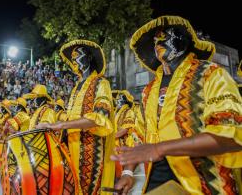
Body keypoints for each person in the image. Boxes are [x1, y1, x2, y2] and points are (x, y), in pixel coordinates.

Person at [111, 16, 242, 194]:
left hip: (204, 185)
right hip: (155, 184)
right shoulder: (149, 90)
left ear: (183, 41)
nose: (158, 41)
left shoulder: (210, 74)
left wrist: (159, 148)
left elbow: (231, 136)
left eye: (165, 36)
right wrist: (127, 173)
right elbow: (139, 136)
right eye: (156, 40)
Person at [37, 40, 115, 195]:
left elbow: (99, 117)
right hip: (71, 149)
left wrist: (59, 126)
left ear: (89, 58)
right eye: (72, 57)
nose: (74, 60)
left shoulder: (101, 83)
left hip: (91, 152)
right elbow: (71, 117)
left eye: (78, 55)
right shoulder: (76, 87)